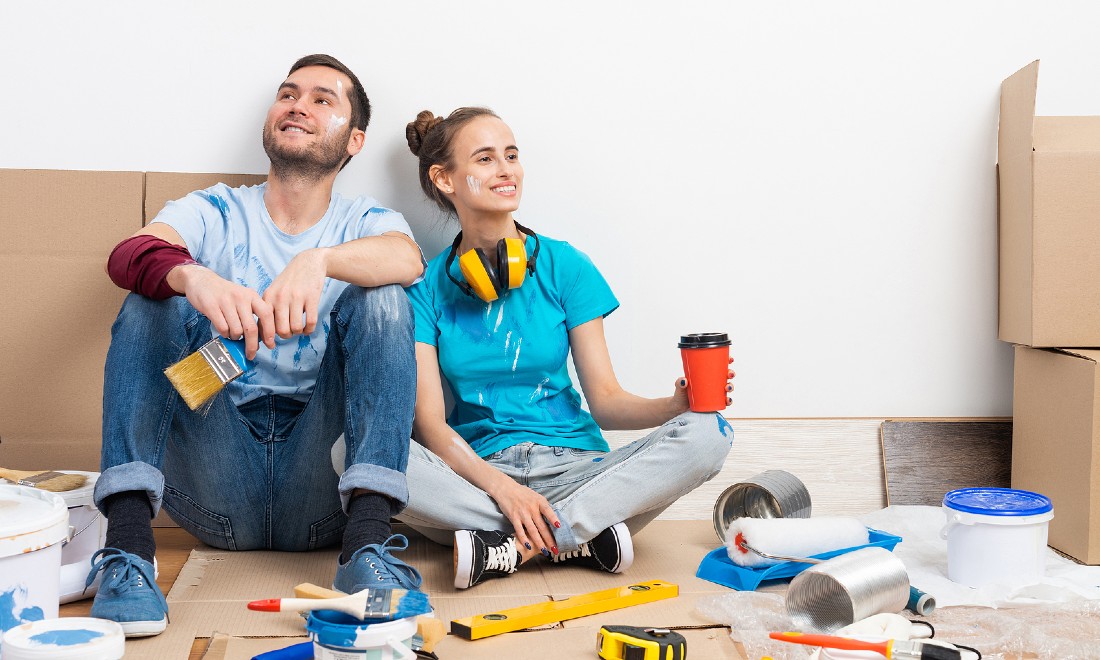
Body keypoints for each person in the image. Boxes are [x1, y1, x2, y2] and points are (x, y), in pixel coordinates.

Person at [89, 54, 426, 637]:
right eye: (288, 93)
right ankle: (128, 555)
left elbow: (408, 259)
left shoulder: (366, 220)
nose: (298, 104)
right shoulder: (214, 210)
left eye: (324, 99)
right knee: (154, 296)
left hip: (324, 488)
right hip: (213, 473)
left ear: (354, 140)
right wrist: (193, 278)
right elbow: (128, 256)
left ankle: (369, 547)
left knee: (385, 298)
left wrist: (318, 261)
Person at [398, 107, 735, 589]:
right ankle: (579, 535)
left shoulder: (566, 266)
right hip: (479, 480)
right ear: (444, 178)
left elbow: (607, 402)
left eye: (512, 155)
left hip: (579, 471)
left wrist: (676, 406)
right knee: (353, 451)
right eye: (486, 158)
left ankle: (510, 547)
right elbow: (429, 425)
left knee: (709, 433)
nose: (507, 170)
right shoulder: (425, 288)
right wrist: (503, 488)